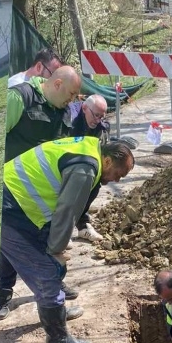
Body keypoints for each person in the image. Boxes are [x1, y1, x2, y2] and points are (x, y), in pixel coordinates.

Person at [0, 137, 135, 343]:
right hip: (10, 210)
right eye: (119, 174)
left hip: (19, 205)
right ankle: (58, 340)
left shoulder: (90, 148)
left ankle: (57, 312)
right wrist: (56, 251)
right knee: (45, 272)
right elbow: (66, 213)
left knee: (38, 261)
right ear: (108, 161)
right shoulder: (85, 170)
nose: (117, 181)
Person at [0, 66, 82, 321]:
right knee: (9, 247)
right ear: (56, 83)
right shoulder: (20, 97)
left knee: (50, 243)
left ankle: (54, 291)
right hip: (14, 191)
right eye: (69, 94)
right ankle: (1, 296)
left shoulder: (64, 111)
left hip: (43, 194)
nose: (71, 100)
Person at [69, 94, 111, 242]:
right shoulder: (69, 121)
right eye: (96, 115)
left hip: (85, 164)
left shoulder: (101, 126)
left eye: (102, 116)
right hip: (66, 164)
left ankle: (83, 225)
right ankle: (60, 230)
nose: (98, 120)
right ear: (84, 108)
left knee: (94, 182)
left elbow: (103, 149)